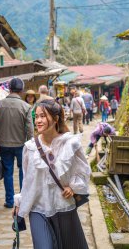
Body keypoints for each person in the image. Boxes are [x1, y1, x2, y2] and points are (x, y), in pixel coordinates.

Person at [14, 99, 91, 249]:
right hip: (38, 208)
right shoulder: (30, 148)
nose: (38, 120)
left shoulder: (70, 144)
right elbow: (28, 181)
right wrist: (20, 203)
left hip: (63, 205)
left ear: (56, 119)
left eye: (43, 116)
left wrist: (73, 187)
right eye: (36, 116)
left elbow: (83, 171)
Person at [0, 78, 34, 208]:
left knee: (8, 173)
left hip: (4, 145)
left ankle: (10, 201)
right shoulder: (26, 107)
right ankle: (23, 200)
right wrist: (31, 144)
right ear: (21, 91)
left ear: (9, 89)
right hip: (21, 145)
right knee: (23, 172)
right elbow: (30, 129)